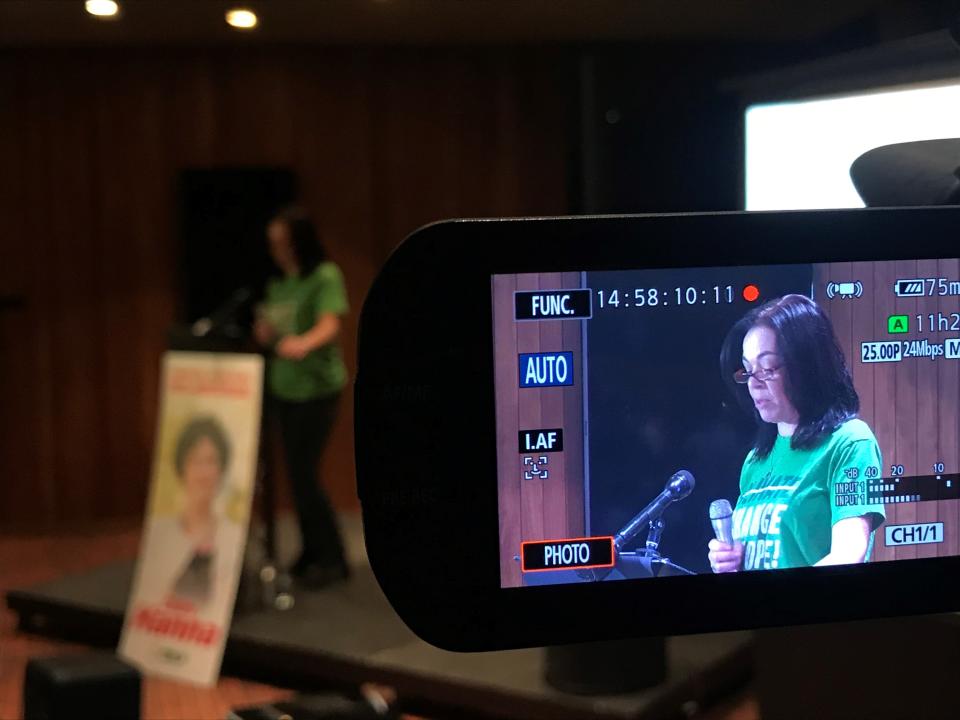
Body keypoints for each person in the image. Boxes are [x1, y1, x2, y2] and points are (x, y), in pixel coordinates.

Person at [708, 294, 885, 573]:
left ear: (807, 366)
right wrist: (734, 562)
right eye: (748, 370)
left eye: (766, 369)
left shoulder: (851, 443)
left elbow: (849, 555)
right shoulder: (756, 460)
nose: (753, 384)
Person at [254, 206, 350, 588]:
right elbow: (277, 333)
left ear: (299, 241)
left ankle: (333, 557)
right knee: (296, 479)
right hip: (285, 391)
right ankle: (312, 551)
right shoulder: (279, 285)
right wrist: (266, 334)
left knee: (307, 476)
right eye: (272, 244)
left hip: (317, 391)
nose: (277, 250)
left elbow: (330, 322)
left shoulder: (325, 276)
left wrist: (304, 342)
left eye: (282, 242)